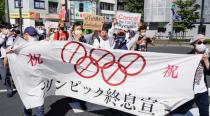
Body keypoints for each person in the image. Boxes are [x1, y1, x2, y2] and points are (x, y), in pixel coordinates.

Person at [5, 26, 45, 116]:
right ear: (26, 35)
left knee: (39, 105)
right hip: (25, 81)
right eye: (33, 35)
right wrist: (8, 54)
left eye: (36, 35)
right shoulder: (16, 47)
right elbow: (6, 64)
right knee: (27, 103)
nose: (35, 37)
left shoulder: (39, 46)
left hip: (38, 80)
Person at [171, 34, 210, 116]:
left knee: (204, 112)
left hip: (202, 91)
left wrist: (206, 60)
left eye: (204, 42)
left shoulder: (207, 56)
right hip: (188, 91)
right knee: (179, 110)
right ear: (194, 44)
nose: (202, 44)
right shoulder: (187, 57)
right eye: (199, 42)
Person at [0, 23, 15, 97]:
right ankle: (9, 89)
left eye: (7, 29)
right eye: (2, 29)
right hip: (1, 58)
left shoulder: (10, 36)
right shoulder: (2, 36)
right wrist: (4, 37)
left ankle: (14, 83)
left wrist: (6, 58)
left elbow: (9, 48)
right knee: (4, 75)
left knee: (12, 72)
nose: (1, 30)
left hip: (9, 57)